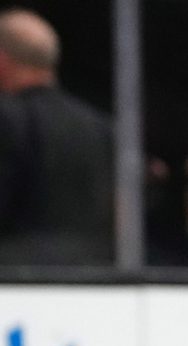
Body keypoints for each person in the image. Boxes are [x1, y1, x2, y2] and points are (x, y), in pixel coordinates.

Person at [0, 7, 114, 267]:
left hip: (16, 279)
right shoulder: (101, 127)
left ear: (2, 59)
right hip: (96, 279)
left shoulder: (7, 120)